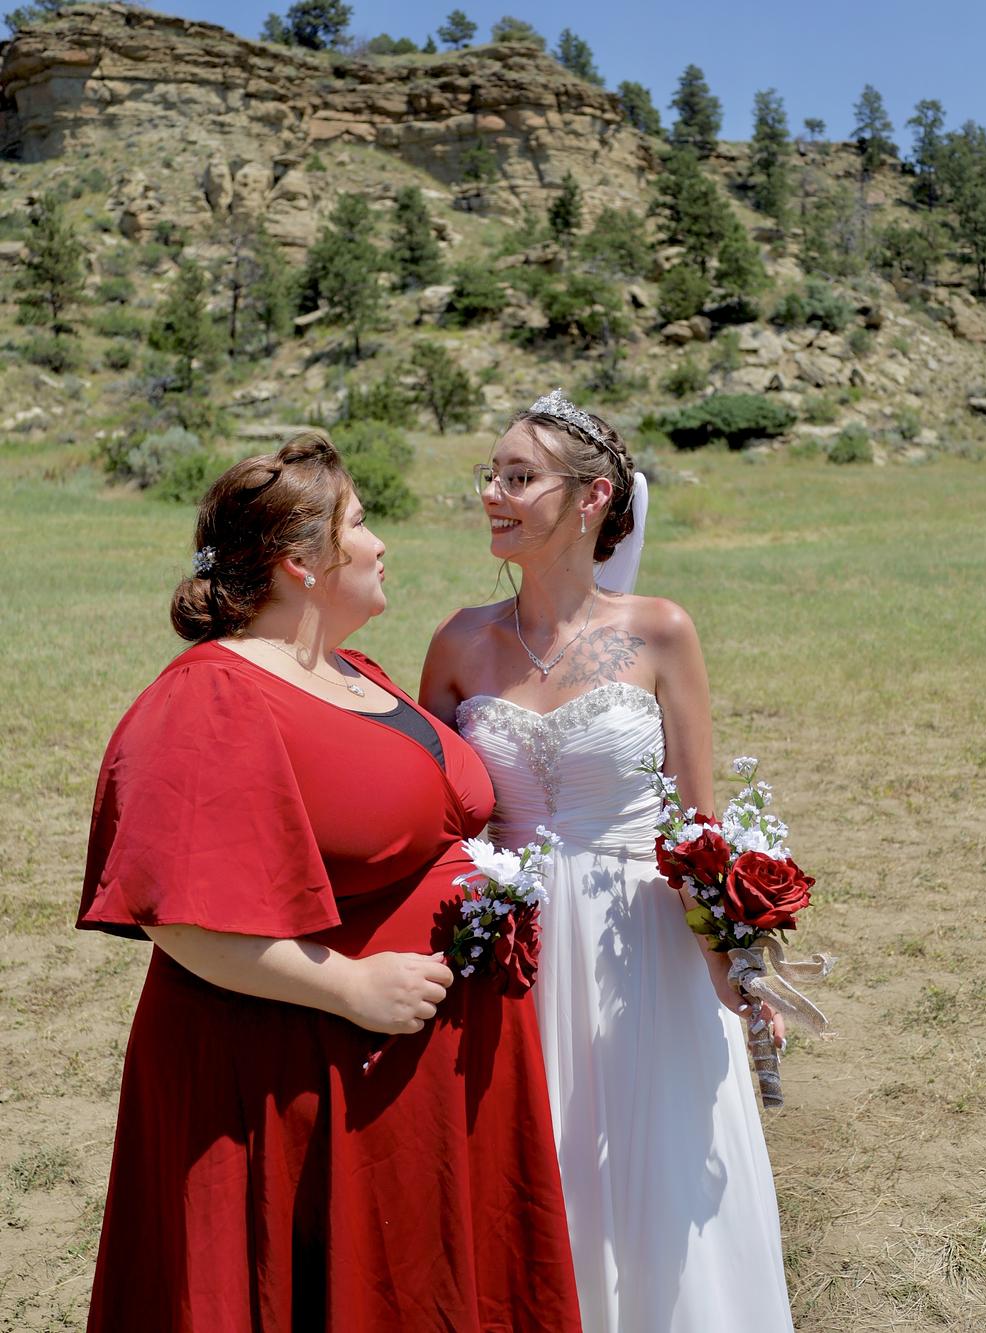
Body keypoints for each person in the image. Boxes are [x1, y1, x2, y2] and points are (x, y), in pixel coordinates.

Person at [78, 431, 582, 1332]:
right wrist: (347, 985)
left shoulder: (353, 672)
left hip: (406, 1074)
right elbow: (178, 916)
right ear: (302, 562)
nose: (381, 542)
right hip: (294, 1077)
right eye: (359, 522)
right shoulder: (209, 692)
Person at [420, 391, 795, 1333]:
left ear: (591, 498)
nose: (493, 494)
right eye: (491, 475)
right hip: (510, 953)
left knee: (652, 1176)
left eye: (519, 477)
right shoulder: (458, 642)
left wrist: (737, 969)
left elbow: (698, 827)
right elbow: (433, 822)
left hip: (643, 954)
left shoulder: (662, 630)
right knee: (530, 1170)